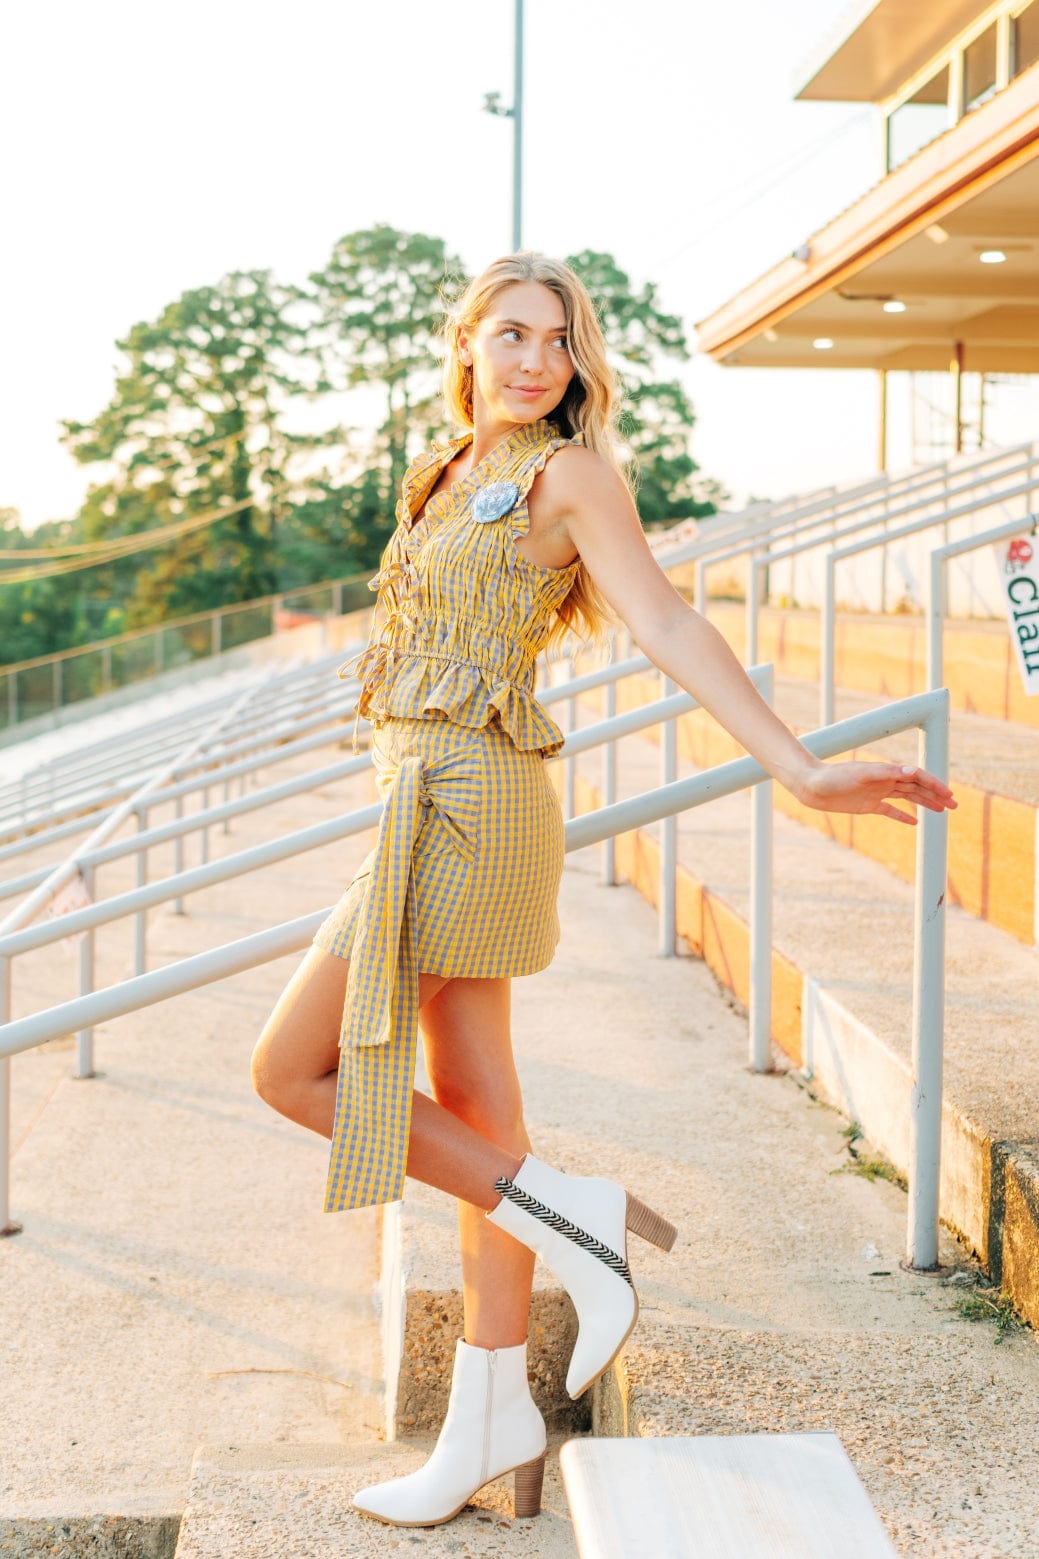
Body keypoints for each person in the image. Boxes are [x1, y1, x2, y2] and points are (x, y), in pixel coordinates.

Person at [251, 253, 956, 1529]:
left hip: (474, 805)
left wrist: (797, 766)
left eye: (560, 340)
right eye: (513, 334)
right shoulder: (441, 470)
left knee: (291, 1070)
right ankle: (488, 1412)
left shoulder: (569, 475)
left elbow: (668, 622)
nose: (537, 360)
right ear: (465, 342)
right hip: (419, 794)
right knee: (479, 1110)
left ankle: (573, 1215)